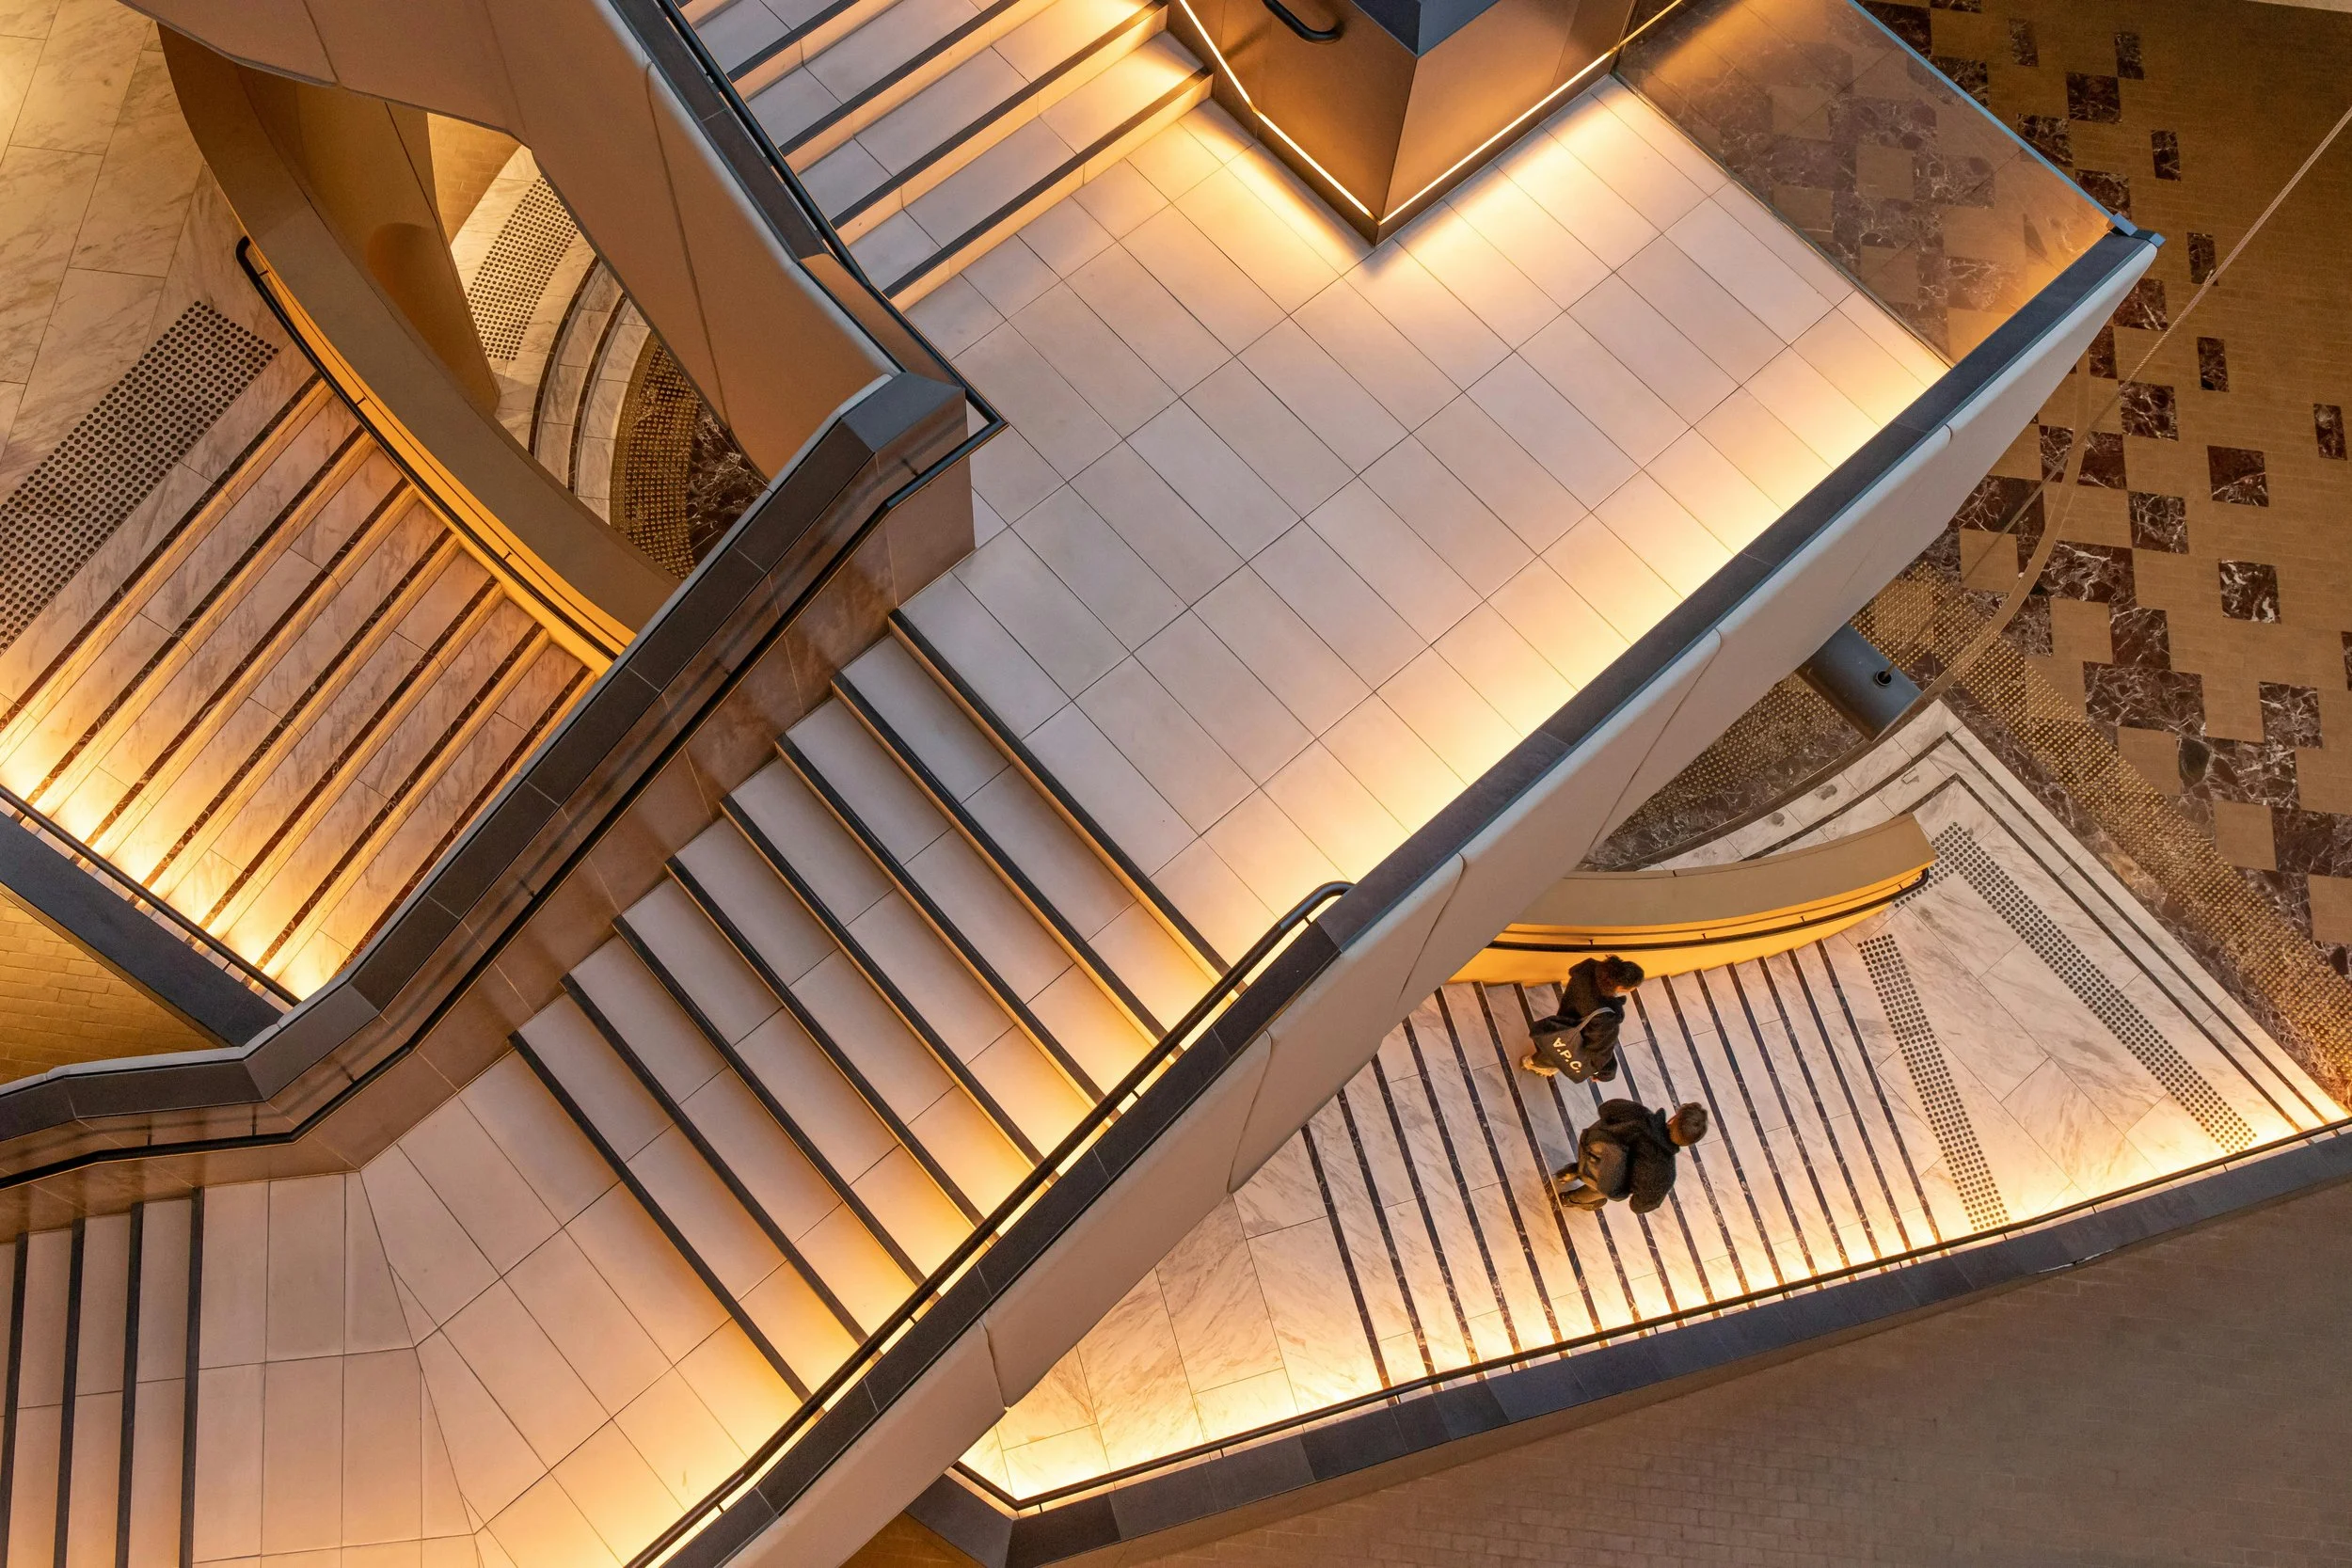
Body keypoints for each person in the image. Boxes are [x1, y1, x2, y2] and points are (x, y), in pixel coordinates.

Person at [1553, 1101, 1708, 1213]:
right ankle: (1569, 1199)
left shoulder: (1640, 1114)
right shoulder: (1664, 1175)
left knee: (1594, 1161)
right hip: (1600, 1179)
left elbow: (1606, 1109)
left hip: (1590, 1144)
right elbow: (1639, 1206)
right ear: (1687, 1143)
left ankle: (1573, 1171)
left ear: (1673, 1119)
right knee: (1600, 1190)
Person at [1520, 956, 1644, 1081]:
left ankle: (1540, 1059)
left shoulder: (1590, 966)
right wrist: (1606, 1074)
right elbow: (1598, 1050)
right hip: (1574, 1030)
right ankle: (1536, 1064)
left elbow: (1573, 971)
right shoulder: (1607, 1015)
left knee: (1556, 1039)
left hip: (1565, 1013)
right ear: (1622, 987)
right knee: (1560, 1049)